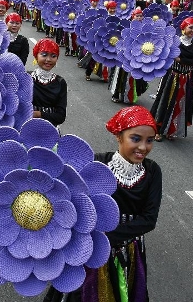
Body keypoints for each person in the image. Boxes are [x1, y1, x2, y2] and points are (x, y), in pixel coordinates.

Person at [44, 105, 162, 302]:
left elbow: (149, 220)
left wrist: (107, 237)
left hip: (128, 249)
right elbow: (75, 201)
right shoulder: (98, 164)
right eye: (136, 139)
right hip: (91, 246)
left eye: (149, 141)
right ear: (119, 136)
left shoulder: (152, 172)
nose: (143, 147)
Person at [150, 17, 193, 141]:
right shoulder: (175, 41)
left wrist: (181, 59)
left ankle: (171, 130)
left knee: (180, 104)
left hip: (186, 79)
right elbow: (168, 54)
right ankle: (157, 130)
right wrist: (183, 60)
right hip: (172, 77)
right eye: (191, 27)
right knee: (165, 102)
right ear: (183, 28)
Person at [31, 39, 67, 127]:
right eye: (44, 55)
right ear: (36, 56)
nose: (48, 59)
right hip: (27, 126)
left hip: (50, 129)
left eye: (53, 56)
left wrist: (38, 114)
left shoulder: (60, 82)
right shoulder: (27, 78)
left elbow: (60, 116)